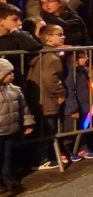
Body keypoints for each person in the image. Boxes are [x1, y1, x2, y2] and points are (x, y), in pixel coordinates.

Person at [27, 25, 70, 169]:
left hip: (39, 97)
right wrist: (61, 92)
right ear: (48, 37)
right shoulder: (51, 57)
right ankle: (42, 159)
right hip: (48, 98)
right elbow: (50, 78)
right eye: (59, 34)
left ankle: (42, 158)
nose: (63, 37)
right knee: (48, 130)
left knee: (45, 129)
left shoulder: (42, 54)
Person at [0, 58, 35, 192]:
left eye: (12, 73)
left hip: (10, 129)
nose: (12, 75)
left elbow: (24, 109)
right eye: (8, 73)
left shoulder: (15, 90)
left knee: (7, 154)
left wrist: (28, 123)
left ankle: (6, 175)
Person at [63, 50, 93, 159]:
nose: (87, 58)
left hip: (83, 105)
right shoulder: (70, 73)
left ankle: (81, 149)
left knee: (82, 129)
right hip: (73, 108)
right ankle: (67, 152)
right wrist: (73, 109)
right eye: (84, 56)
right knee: (70, 131)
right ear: (74, 60)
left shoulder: (82, 71)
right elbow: (70, 92)